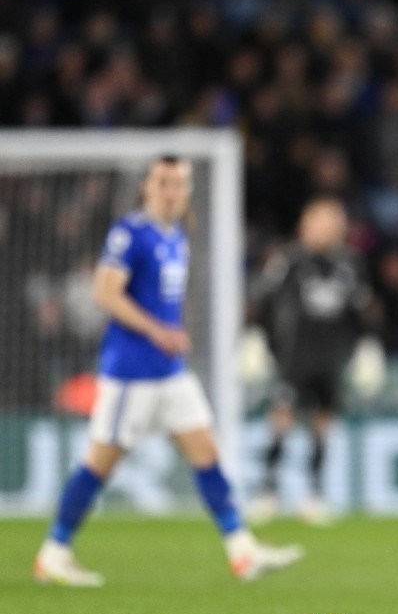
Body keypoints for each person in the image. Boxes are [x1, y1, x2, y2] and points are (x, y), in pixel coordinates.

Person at [33, 156, 303, 587]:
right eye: (163, 182)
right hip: (131, 373)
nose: (172, 191)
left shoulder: (176, 233)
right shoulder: (130, 233)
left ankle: (242, 550)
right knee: (100, 463)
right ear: (147, 186)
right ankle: (54, 552)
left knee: (207, 453)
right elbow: (105, 292)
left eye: (179, 183)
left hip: (170, 372)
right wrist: (158, 330)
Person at [246, 196, 383, 526]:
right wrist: (253, 336)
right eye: (318, 220)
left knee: (323, 423)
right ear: (304, 225)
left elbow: (364, 309)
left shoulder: (351, 263)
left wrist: (368, 344)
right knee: (282, 419)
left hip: (332, 356)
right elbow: (261, 299)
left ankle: (314, 493)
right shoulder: (288, 259)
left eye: (331, 221)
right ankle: (268, 490)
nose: (324, 228)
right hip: (293, 354)